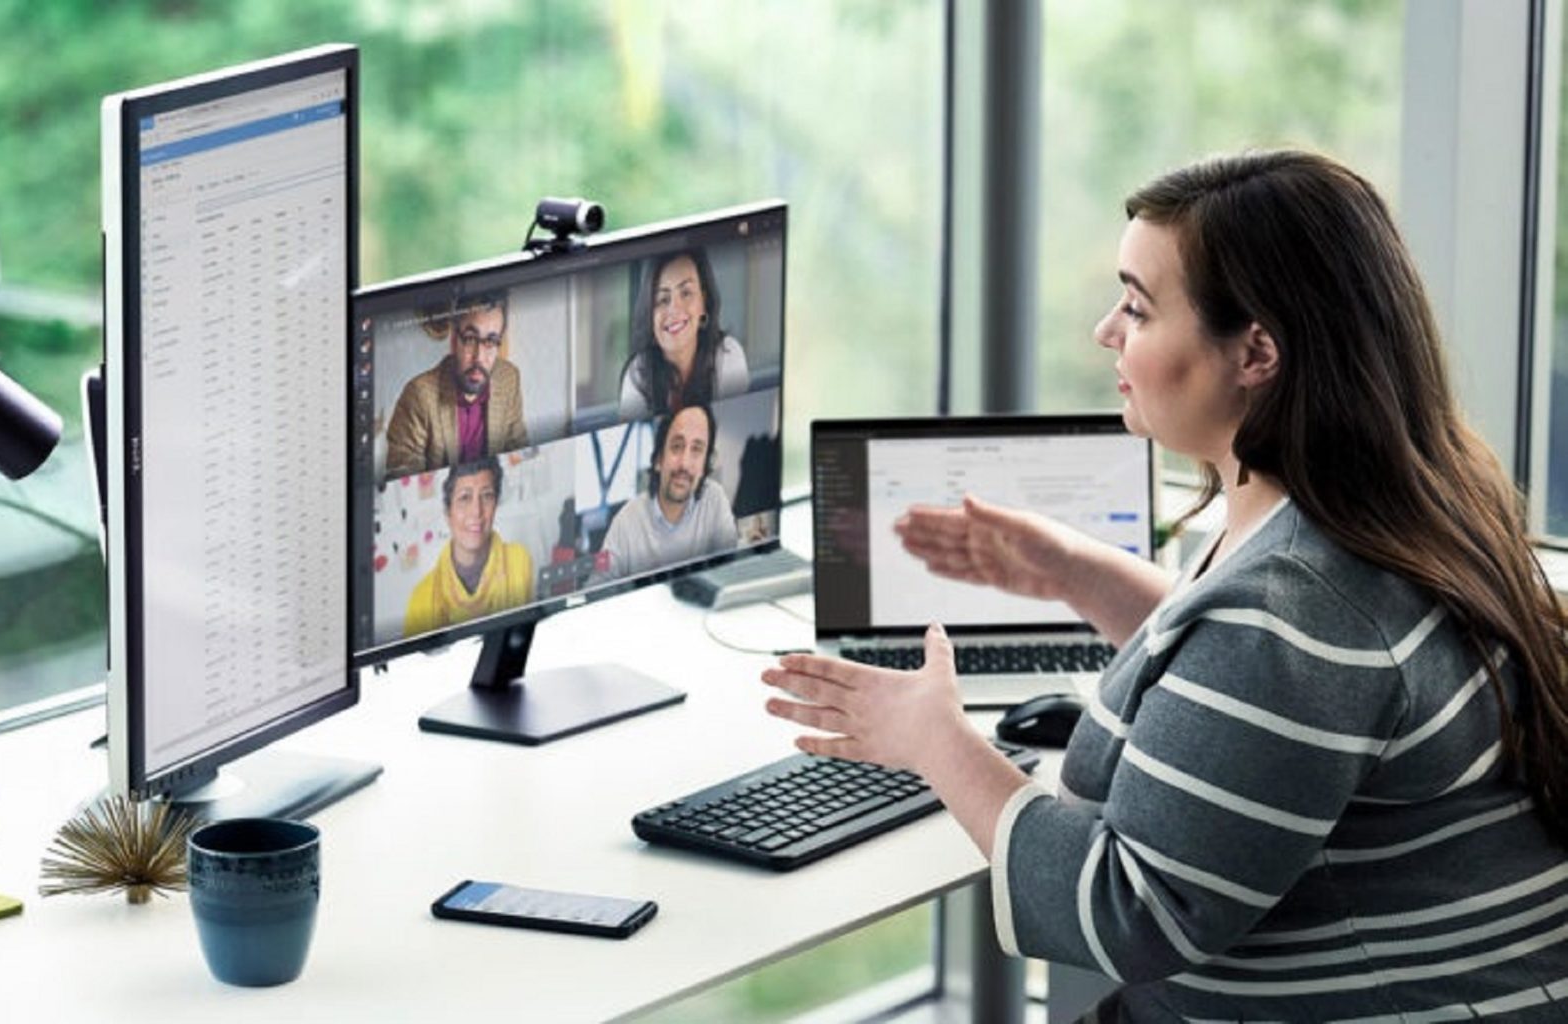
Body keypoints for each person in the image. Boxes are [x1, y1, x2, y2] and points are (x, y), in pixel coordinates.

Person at [763, 151, 1568, 1020]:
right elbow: (1291, 711)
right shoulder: (1399, 506)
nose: (1106, 331)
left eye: (1138, 308)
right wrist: (1079, 574)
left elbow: (1129, 913)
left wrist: (935, 741)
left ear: (1255, 351)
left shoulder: (1295, 611)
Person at [385, 293, 529, 475]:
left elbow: (518, 451)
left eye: (491, 342)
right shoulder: (418, 395)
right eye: (469, 339)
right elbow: (403, 476)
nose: (479, 358)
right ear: (454, 340)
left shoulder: (509, 378)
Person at [598, 403, 738, 581]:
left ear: (704, 467)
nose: (684, 464)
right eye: (677, 446)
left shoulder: (715, 499)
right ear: (658, 460)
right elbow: (598, 584)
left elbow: (731, 567)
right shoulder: (625, 522)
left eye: (696, 449)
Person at [404, 456, 534, 635]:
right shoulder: (421, 598)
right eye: (465, 498)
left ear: (495, 505)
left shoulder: (519, 561)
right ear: (448, 513)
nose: (476, 511)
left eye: (486, 496)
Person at [617, 248, 749, 419]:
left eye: (686, 293)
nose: (674, 310)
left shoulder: (728, 354)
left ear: (704, 302)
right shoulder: (638, 373)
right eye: (663, 300)